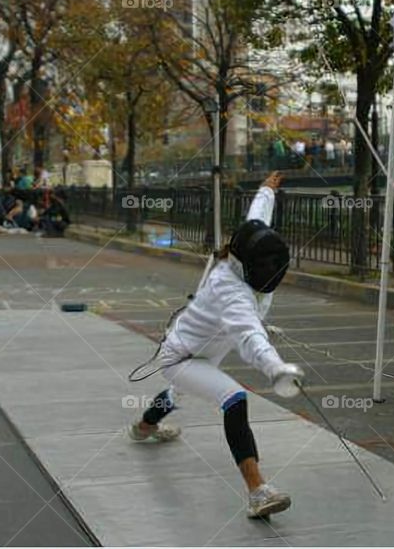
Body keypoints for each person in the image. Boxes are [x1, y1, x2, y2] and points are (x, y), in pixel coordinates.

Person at [126, 171, 304, 519]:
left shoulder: (246, 248)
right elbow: (249, 336)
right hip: (182, 356)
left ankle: (144, 426)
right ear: (246, 265)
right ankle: (258, 491)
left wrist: (267, 189)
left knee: (178, 393)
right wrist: (276, 368)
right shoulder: (229, 288)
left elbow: (257, 219)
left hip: (207, 349)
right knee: (233, 398)